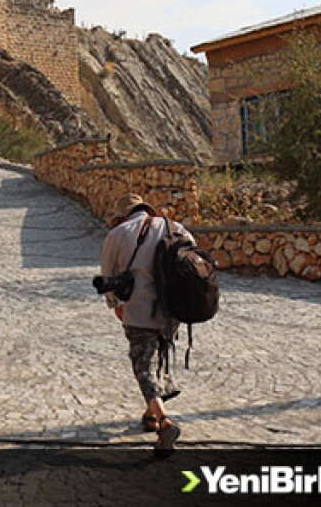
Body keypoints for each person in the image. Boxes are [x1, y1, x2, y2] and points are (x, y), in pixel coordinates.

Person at [100, 193, 196, 455]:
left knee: (143, 365)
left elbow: (107, 276)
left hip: (138, 310)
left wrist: (116, 305)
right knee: (159, 358)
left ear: (123, 216)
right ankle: (150, 414)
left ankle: (164, 422)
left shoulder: (118, 234)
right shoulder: (175, 228)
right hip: (171, 310)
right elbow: (192, 260)